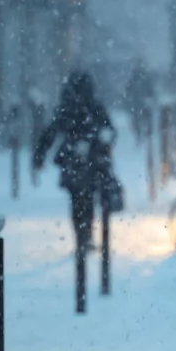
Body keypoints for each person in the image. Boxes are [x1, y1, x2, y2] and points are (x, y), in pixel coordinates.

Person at [32, 71, 117, 252]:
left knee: (77, 200)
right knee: (86, 199)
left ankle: (81, 236)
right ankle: (84, 236)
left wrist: (40, 155)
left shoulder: (67, 108)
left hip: (72, 162)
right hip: (90, 162)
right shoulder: (93, 107)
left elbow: (50, 133)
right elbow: (109, 131)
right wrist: (101, 146)